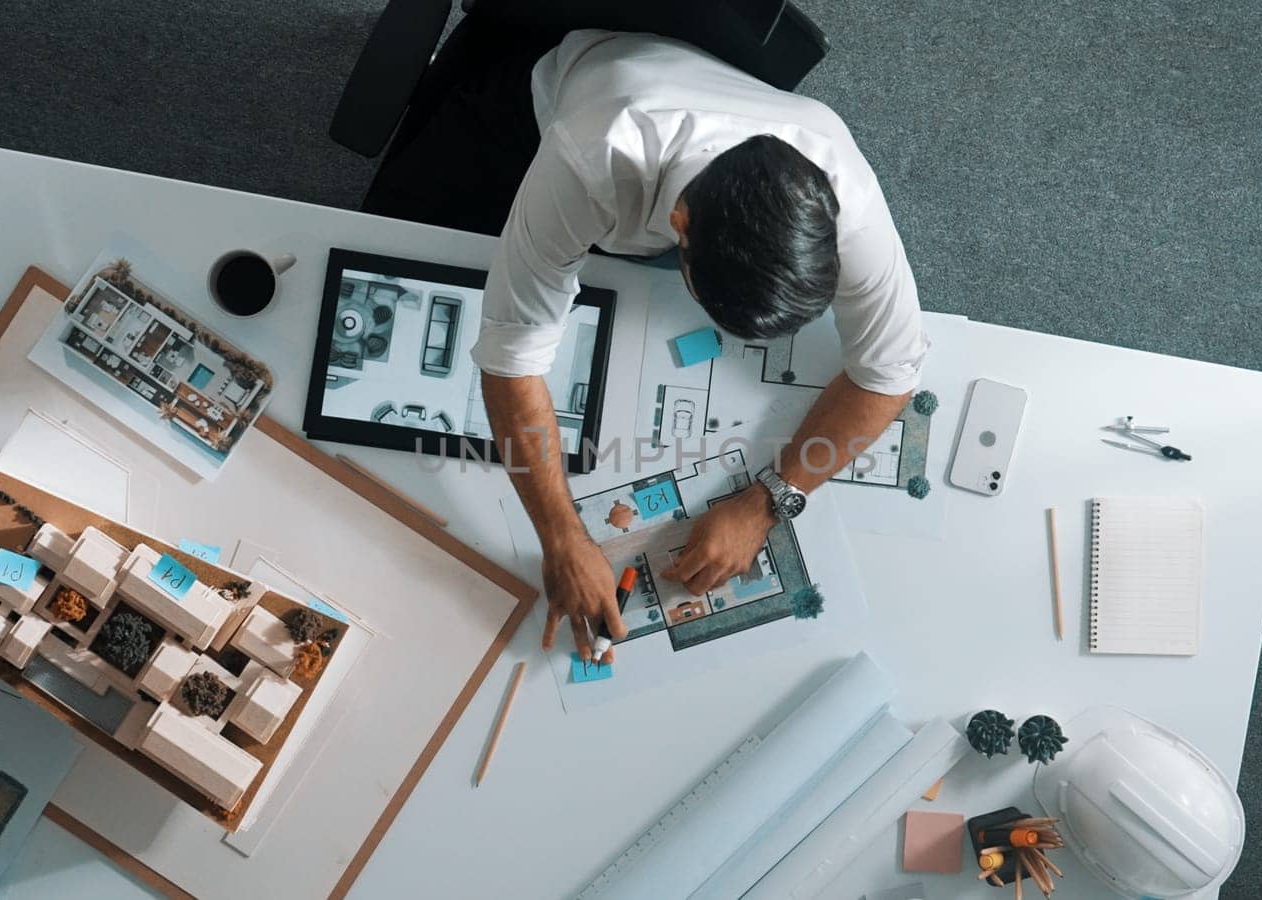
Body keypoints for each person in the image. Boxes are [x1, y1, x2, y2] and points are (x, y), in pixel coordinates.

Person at [368, 28, 928, 666]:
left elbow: (891, 373)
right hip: (545, 100)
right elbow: (508, 359)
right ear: (679, 232)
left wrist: (766, 502)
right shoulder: (593, 154)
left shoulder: (838, 185)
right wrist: (562, 538)